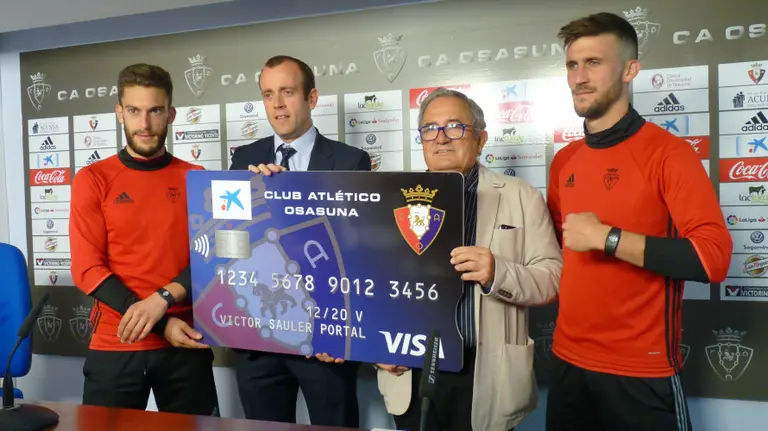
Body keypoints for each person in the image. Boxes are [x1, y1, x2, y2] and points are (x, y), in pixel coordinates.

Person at [546, 12, 732, 431]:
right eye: (572, 65)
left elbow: (713, 259)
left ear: (630, 70)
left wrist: (607, 238)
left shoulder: (669, 154)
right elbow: (556, 254)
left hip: (641, 372)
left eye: (594, 62)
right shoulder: (564, 161)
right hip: (567, 363)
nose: (579, 77)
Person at [375, 88, 563, 431]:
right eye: (430, 128)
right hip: (409, 370)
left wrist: (498, 273)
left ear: (481, 138)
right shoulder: (392, 197)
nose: (441, 138)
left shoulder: (520, 196)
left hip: (485, 371)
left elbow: (553, 278)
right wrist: (376, 344)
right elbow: (371, 282)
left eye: (454, 127)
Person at [69, 63, 219, 415]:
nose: (145, 124)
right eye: (134, 111)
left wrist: (164, 299)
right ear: (120, 113)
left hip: (186, 342)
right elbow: (87, 269)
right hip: (116, 341)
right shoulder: (93, 179)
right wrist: (161, 320)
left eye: (155, 111)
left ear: (171, 114)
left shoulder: (196, 177)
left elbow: (211, 256)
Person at [229, 55, 370, 427]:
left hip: (325, 339)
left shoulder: (351, 161)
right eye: (268, 94)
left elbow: (356, 254)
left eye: (287, 92)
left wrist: (343, 334)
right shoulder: (244, 160)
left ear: (312, 98)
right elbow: (231, 246)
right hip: (259, 338)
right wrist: (260, 198)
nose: (277, 104)